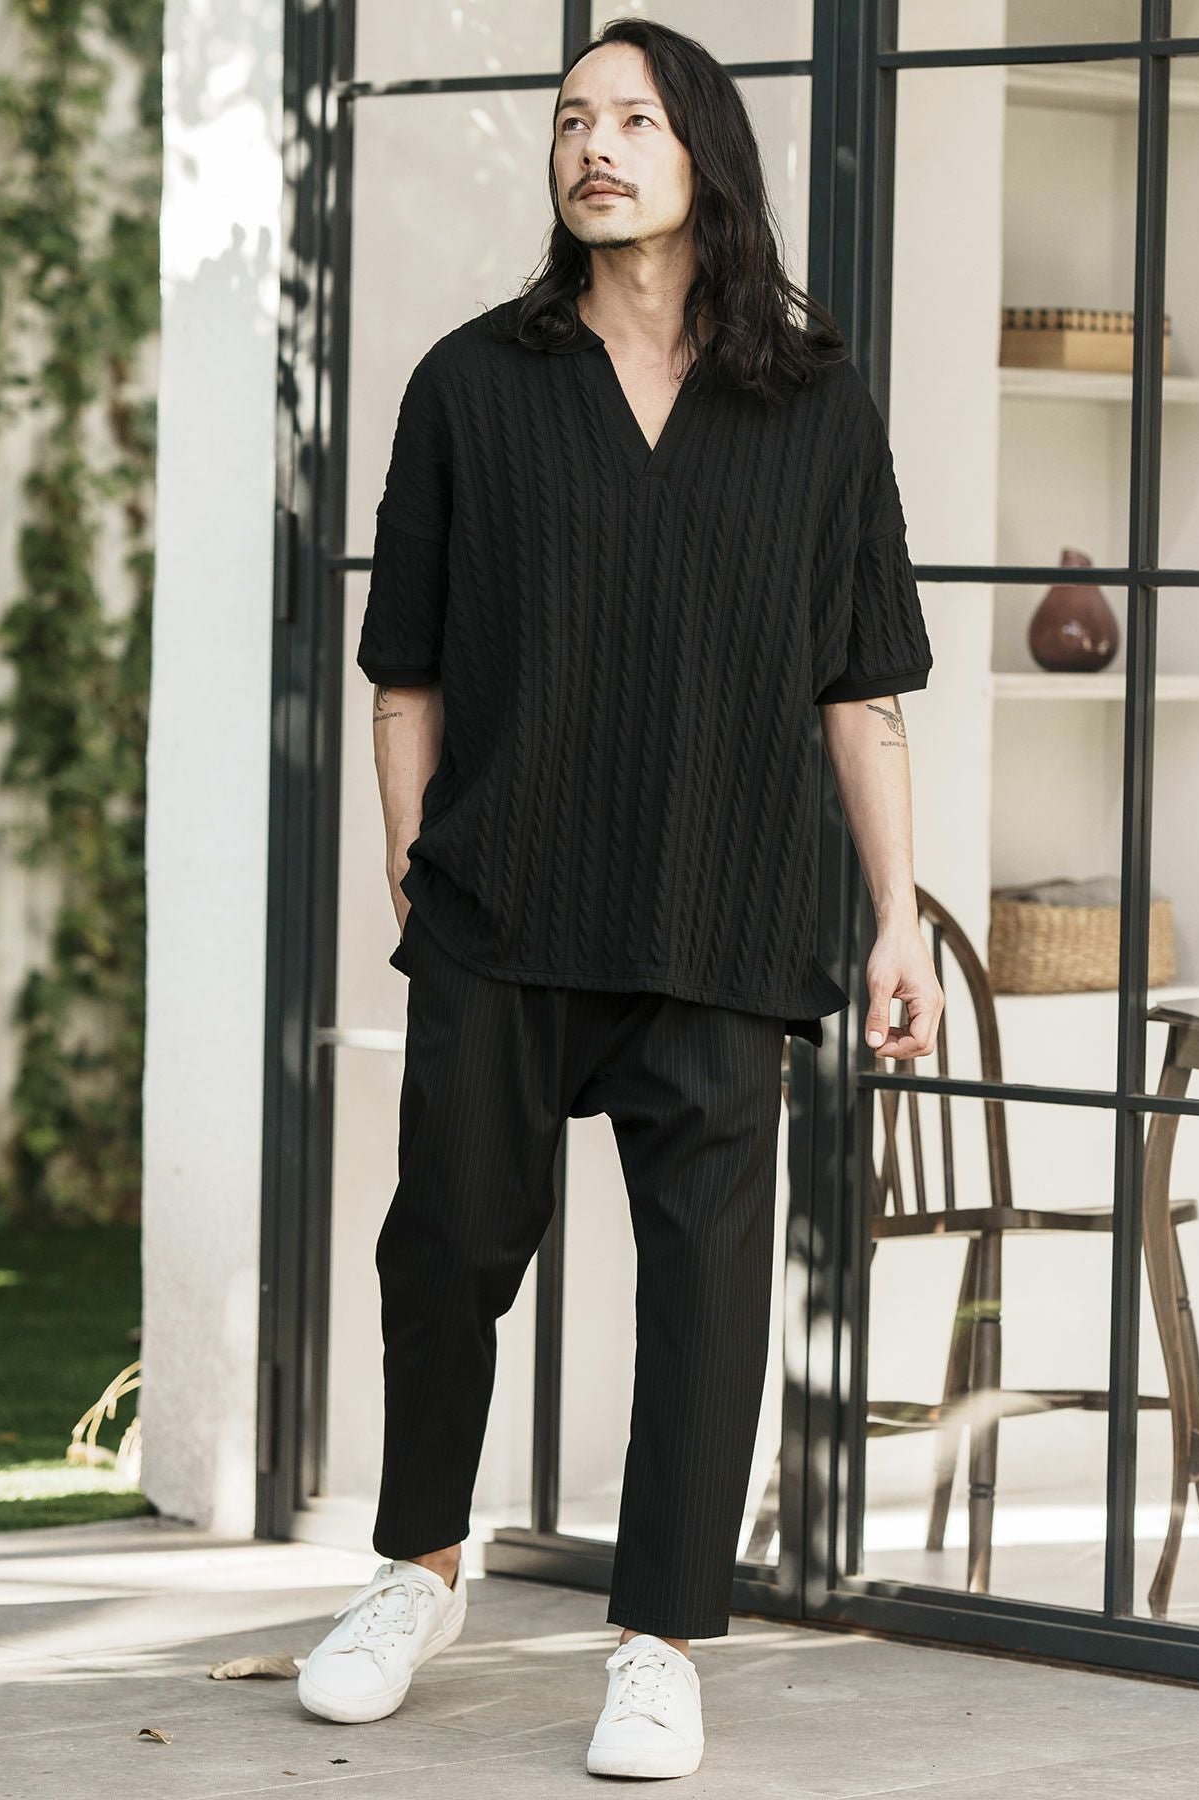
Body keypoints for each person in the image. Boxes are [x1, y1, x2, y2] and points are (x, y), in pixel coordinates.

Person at [297, 15, 943, 1781]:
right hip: (506, 901)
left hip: (727, 912)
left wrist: (897, 913)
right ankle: (417, 1572)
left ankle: (659, 1644)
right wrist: (414, 863)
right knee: (446, 1249)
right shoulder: (473, 383)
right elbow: (406, 669)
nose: (593, 144)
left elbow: (861, 690)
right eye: (573, 118)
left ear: (705, 154)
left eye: (634, 119)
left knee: (707, 1295)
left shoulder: (814, 406)